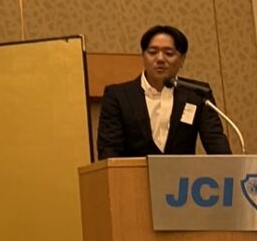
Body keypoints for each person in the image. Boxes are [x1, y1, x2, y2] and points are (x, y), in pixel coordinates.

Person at [96, 24, 231, 159]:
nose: (160, 59)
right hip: (134, 172)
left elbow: (217, 146)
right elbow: (109, 151)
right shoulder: (118, 96)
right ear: (143, 56)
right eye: (152, 52)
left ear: (182, 60)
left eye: (169, 53)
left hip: (182, 172)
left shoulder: (197, 93)